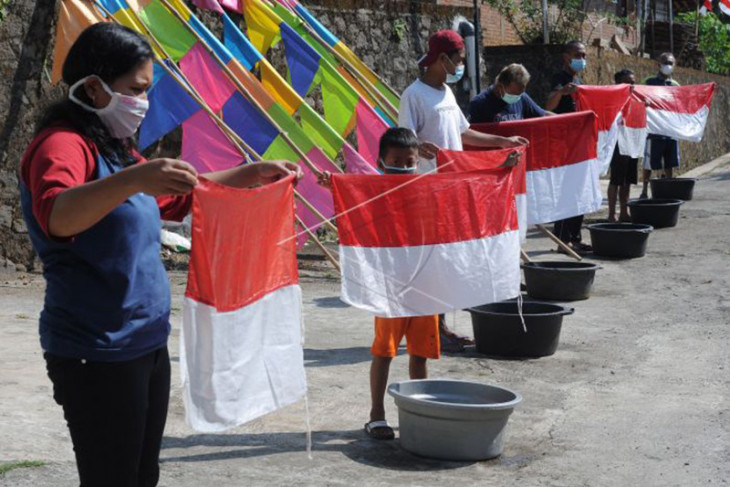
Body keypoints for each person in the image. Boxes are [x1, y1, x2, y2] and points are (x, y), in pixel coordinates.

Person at [18, 24, 301, 487]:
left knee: (141, 475)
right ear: (94, 88)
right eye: (136, 90)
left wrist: (249, 175)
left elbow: (173, 198)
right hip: (96, 351)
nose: (143, 102)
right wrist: (135, 179)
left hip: (145, 344)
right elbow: (58, 215)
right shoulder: (61, 145)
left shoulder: (115, 146)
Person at [398, 29, 528, 352]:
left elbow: (465, 133)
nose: (460, 65)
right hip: (429, 191)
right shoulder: (413, 95)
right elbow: (402, 141)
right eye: (458, 59)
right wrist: (417, 145)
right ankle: (432, 329)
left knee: (450, 261)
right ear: (442, 59)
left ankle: (441, 327)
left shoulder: (446, 94)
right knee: (432, 263)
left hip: (454, 190)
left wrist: (502, 142)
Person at [545, 40, 592, 255]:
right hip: (564, 144)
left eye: (583, 56)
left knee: (579, 190)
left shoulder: (579, 80)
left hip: (579, 142)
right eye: (577, 55)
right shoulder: (559, 79)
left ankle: (575, 237)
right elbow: (548, 106)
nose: (581, 59)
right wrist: (562, 92)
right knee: (566, 190)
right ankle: (562, 240)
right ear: (566, 56)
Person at [640, 52, 681, 199]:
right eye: (665, 62)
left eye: (670, 63)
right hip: (653, 130)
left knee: (670, 163)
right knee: (649, 163)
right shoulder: (649, 82)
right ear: (658, 65)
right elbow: (640, 99)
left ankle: (668, 191)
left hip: (670, 130)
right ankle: (644, 190)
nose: (668, 66)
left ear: (674, 65)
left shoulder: (676, 85)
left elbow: (679, 106)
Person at [468, 63, 549, 123]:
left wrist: (561, 121)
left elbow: (543, 115)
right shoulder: (479, 104)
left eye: (520, 94)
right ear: (500, 86)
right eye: (513, 94)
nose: (517, 98)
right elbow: (475, 135)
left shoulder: (523, 98)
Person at [608, 69, 639, 222]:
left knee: (627, 180)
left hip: (632, 142)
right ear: (617, 84)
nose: (631, 85)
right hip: (617, 143)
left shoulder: (637, 100)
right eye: (627, 82)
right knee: (616, 180)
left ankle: (624, 212)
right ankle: (611, 214)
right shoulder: (611, 100)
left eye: (632, 82)